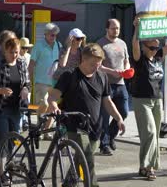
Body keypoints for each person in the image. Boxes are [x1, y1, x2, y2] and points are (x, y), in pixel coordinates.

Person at [48, 43, 126, 187]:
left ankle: (68, 185)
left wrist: (118, 118)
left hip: (95, 127)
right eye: (92, 64)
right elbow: (52, 97)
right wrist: (53, 106)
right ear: (82, 59)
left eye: (99, 64)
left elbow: (107, 101)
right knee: (88, 160)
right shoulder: (69, 75)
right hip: (74, 126)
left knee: (80, 160)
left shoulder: (102, 77)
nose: (96, 67)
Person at [131, 16, 167, 180]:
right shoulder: (139, 59)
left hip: (157, 99)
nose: (154, 50)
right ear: (144, 46)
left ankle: (144, 166)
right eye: (151, 47)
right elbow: (134, 45)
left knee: (154, 135)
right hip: (142, 100)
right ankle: (148, 167)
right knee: (150, 132)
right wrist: (137, 29)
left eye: (156, 47)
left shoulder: (159, 55)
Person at [0, 38, 30, 158]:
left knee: (13, 141)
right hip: (0, 109)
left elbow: (27, 83)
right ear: (5, 51)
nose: (14, 55)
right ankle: (2, 170)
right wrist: (1, 91)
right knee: (3, 141)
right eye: (11, 52)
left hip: (16, 109)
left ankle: (8, 168)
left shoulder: (22, 64)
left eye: (16, 52)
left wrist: (25, 89)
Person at [97, 19, 130, 155]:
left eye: (118, 28)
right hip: (106, 84)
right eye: (113, 28)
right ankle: (104, 145)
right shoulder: (101, 44)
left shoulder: (122, 43)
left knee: (124, 112)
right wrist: (113, 72)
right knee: (105, 116)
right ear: (107, 29)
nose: (116, 31)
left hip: (121, 83)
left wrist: (126, 69)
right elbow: (97, 66)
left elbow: (126, 60)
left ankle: (110, 136)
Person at [28, 23, 61, 139]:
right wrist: (29, 82)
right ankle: (39, 126)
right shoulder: (39, 45)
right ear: (45, 34)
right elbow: (31, 64)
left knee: (53, 108)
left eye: (55, 35)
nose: (54, 37)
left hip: (54, 82)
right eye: (52, 35)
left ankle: (46, 131)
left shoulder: (58, 45)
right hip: (40, 81)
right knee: (44, 104)